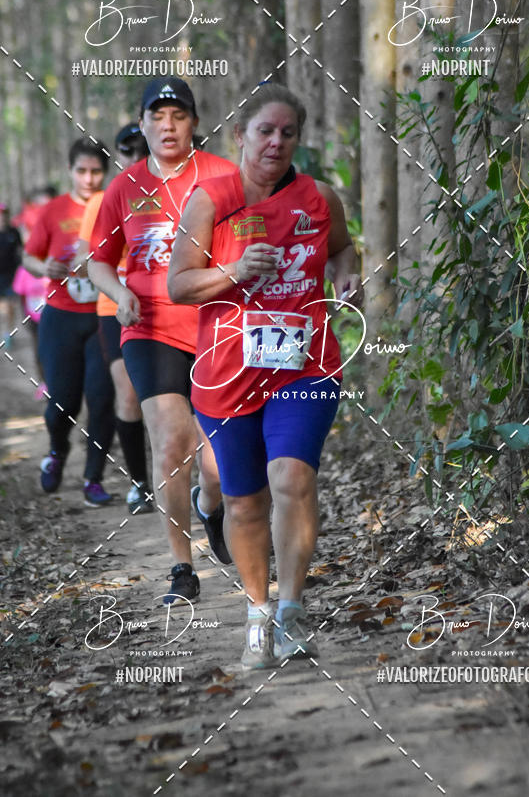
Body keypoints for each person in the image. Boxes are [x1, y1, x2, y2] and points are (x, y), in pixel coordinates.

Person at [167, 83, 362, 669]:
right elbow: (180, 284)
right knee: (245, 502)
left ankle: (291, 613)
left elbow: (342, 249)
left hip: (306, 364)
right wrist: (232, 271)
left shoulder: (319, 197)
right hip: (227, 372)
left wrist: (346, 275)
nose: (276, 142)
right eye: (265, 131)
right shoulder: (211, 199)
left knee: (292, 478)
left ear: (298, 138)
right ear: (240, 136)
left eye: (287, 132)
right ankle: (257, 615)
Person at [88, 77, 236, 604]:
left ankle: (210, 505)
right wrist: (118, 291)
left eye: (178, 115)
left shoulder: (223, 176)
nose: (168, 125)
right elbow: (99, 261)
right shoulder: (124, 186)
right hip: (149, 328)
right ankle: (181, 567)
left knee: (218, 462)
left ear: (194, 122)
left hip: (216, 326)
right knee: (172, 442)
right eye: (157, 116)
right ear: (143, 123)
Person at [22, 138, 115, 507]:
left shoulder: (114, 205)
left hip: (103, 316)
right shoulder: (53, 210)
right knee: (63, 400)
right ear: (70, 171)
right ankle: (57, 451)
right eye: (82, 171)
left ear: (105, 172)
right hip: (60, 317)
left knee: (102, 398)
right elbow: (29, 257)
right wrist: (43, 266)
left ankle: (93, 478)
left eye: (96, 171)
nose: (89, 179)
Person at [76, 124, 151, 516]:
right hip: (114, 308)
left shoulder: (177, 194)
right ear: (117, 157)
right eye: (127, 150)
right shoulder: (103, 201)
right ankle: (140, 484)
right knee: (128, 392)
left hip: (168, 305)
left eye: (142, 150)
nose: (135, 157)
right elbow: (87, 259)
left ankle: (200, 482)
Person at [12, 186, 57, 394]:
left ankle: (61, 382)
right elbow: (20, 293)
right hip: (34, 314)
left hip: (59, 311)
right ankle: (44, 382)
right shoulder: (26, 264)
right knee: (40, 348)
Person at [0, 204, 22, 347]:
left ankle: (8, 333)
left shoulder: (13, 232)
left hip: (11, 276)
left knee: (9, 307)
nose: (2, 217)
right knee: (4, 307)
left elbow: (21, 251)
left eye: (4, 213)